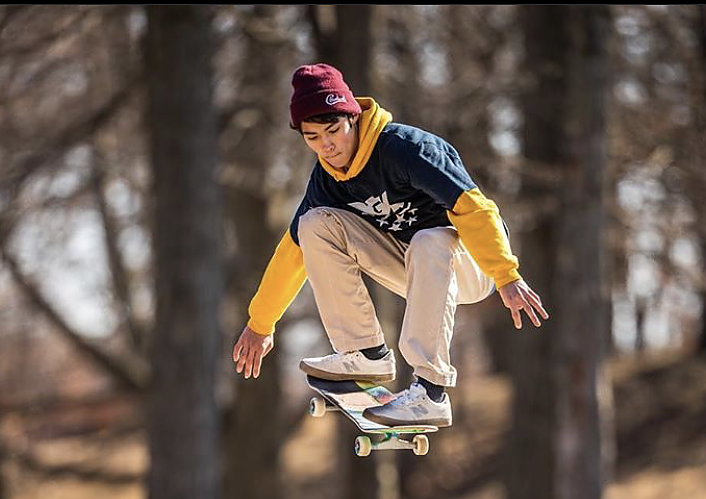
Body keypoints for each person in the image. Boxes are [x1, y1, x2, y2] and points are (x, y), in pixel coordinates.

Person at [233, 63, 548, 429]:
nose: (327, 146)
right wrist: (260, 323)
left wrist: (506, 275)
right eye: (313, 137)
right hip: (413, 268)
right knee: (313, 225)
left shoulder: (406, 149)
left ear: (352, 117)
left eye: (333, 130)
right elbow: (292, 253)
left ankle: (431, 391)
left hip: (470, 264)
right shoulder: (325, 182)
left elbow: (474, 208)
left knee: (430, 238)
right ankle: (364, 352)